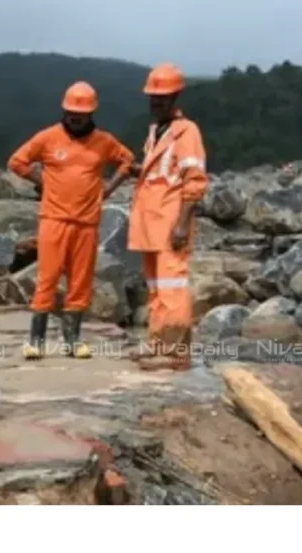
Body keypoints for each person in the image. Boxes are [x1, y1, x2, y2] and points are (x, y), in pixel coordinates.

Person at [8, 81, 135, 360]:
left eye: (81, 114)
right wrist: (42, 180)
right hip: (54, 220)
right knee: (47, 279)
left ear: (91, 113)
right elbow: (17, 161)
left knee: (80, 282)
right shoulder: (48, 138)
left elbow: (127, 161)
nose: (75, 118)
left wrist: (109, 188)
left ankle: (73, 341)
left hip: (87, 223)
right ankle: (36, 342)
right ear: (64, 111)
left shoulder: (103, 141)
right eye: (71, 113)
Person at [127, 63, 209, 371]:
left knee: (172, 285)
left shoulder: (187, 132)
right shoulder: (156, 133)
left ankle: (174, 351)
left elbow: (194, 180)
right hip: (151, 222)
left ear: (175, 97)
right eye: (153, 97)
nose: (156, 102)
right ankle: (158, 343)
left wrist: (182, 222)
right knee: (157, 287)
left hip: (170, 221)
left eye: (162, 97)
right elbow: (161, 174)